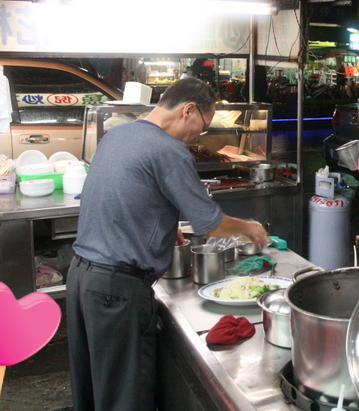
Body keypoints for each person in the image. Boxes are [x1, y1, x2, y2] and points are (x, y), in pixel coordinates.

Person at [66, 77, 268, 411]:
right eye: (201, 126)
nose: (198, 137)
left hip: (81, 279)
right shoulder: (169, 150)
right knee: (124, 398)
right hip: (117, 292)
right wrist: (250, 228)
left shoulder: (117, 134)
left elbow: (130, 192)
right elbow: (210, 224)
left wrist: (167, 224)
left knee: (94, 390)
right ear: (188, 110)